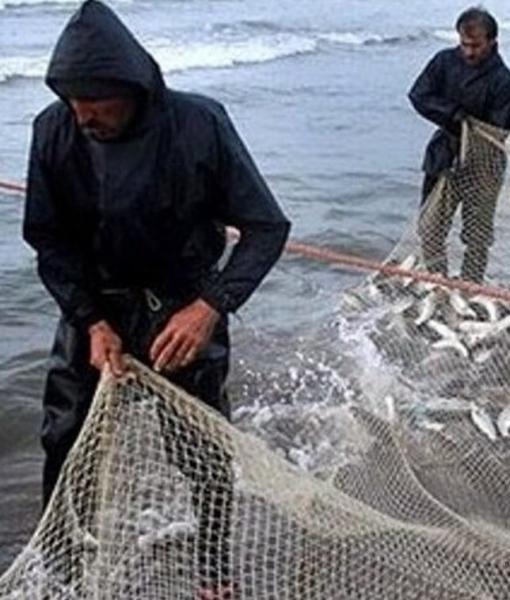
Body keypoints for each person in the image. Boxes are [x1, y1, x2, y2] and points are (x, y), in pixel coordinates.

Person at [23, 1, 290, 597]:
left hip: (182, 308)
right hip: (96, 310)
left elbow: (266, 228)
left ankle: (214, 572)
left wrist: (210, 305)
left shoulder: (200, 124)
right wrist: (88, 319)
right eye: (74, 104)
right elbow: (48, 239)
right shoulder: (53, 130)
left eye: (98, 105)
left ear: (136, 88)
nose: (84, 117)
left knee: (202, 452)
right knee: (63, 442)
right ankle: (63, 571)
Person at [408, 7, 510, 283]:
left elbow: (498, 132)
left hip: (484, 164)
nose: (469, 52)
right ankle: (438, 282)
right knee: (430, 227)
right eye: (464, 44)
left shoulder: (505, 82)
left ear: (492, 42)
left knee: (477, 235)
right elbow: (419, 95)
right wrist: (453, 115)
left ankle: (471, 285)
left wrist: (468, 126)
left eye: (476, 46)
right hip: (443, 155)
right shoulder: (444, 61)